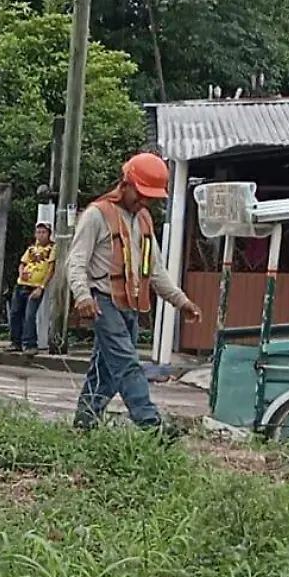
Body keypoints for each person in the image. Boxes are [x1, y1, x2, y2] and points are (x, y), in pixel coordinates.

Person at [67, 152, 201, 431]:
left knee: (105, 371)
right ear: (125, 183)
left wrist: (181, 301)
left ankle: (84, 423)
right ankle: (151, 425)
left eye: (150, 197)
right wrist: (82, 295)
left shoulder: (143, 221)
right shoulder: (96, 215)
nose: (145, 201)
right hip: (103, 302)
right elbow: (76, 260)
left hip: (130, 306)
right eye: (141, 194)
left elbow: (155, 270)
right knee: (128, 364)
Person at [9, 221, 55, 354]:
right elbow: (22, 263)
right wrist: (21, 273)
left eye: (43, 232)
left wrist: (41, 287)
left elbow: (51, 269)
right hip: (22, 284)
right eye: (38, 232)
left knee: (30, 315)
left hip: (35, 286)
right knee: (15, 313)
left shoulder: (52, 249)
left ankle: (30, 344)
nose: (40, 235)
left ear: (49, 234)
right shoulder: (31, 249)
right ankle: (15, 342)